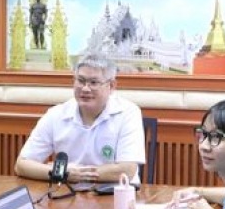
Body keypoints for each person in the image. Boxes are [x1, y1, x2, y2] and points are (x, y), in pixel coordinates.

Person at [14, 53, 145, 184]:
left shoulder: (128, 113)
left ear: (111, 86)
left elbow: (127, 170)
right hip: (67, 193)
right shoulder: (56, 114)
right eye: (81, 81)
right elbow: (22, 165)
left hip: (114, 194)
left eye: (93, 83)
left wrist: (73, 173)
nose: (85, 88)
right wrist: (63, 173)